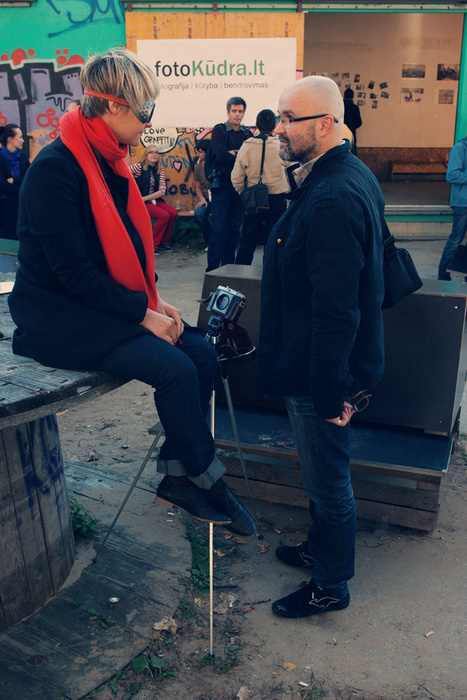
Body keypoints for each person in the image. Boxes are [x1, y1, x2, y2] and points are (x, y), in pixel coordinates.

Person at [8, 48, 255, 537]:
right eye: (145, 110)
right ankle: (209, 482)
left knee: (202, 354)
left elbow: (124, 252)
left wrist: (153, 301)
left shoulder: (111, 160)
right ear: (113, 105)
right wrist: (143, 314)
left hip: (102, 305)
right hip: (60, 317)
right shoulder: (57, 168)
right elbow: (74, 274)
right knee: (176, 369)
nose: (149, 121)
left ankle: (178, 478)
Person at [258, 76, 385, 618]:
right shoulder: (341, 173)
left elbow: (337, 308)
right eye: (280, 117)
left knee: (327, 478)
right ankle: (320, 548)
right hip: (319, 362)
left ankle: (331, 584)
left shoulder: (332, 195)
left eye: (290, 118)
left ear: (327, 123)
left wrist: (332, 391)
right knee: (319, 472)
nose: (279, 128)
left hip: (321, 370)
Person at [231, 109, 288, 265]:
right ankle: (270, 274)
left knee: (247, 239)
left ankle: (240, 274)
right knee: (273, 240)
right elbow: (291, 168)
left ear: (256, 125)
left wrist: (244, 193)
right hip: (277, 197)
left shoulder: (247, 146)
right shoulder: (280, 145)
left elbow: (236, 177)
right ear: (275, 126)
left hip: (253, 198)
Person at [206, 96, 250, 272]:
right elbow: (221, 156)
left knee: (233, 230)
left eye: (240, 111)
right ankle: (212, 269)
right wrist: (240, 156)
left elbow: (250, 158)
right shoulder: (219, 130)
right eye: (234, 111)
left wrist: (234, 153)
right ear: (228, 112)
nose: (237, 114)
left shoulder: (247, 134)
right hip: (222, 187)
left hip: (239, 188)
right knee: (218, 229)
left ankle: (228, 267)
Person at [130, 145, 177, 254]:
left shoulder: (159, 169)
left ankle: (164, 243)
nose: (154, 154)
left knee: (173, 213)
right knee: (164, 215)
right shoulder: (138, 167)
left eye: (156, 152)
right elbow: (124, 174)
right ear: (146, 155)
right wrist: (133, 194)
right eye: (151, 152)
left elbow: (162, 191)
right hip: (140, 202)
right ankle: (152, 245)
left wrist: (144, 198)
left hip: (150, 199)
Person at [438, 136, 467, 280]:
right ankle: (443, 276)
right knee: (455, 241)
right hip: (463, 204)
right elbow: (451, 175)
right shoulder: (460, 148)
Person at [0, 123, 29, 240]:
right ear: (11, 139)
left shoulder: (23, 158)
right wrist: (22, 187)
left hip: (21, 207)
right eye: (20, 137)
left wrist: (14, 180)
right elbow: (3, 186)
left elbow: (29, 180)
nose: (23, 140)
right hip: (5, 208)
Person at [192, 139, 211, 245]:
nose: (197, 155)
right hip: (207, 200)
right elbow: (197, 187)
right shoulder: (199, 167)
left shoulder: (218, 165)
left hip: (219, 199)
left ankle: (219, 242)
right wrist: (202, 199)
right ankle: (210, 241)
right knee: (199, 213)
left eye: (200, 152)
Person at [343, 88, 362, 154]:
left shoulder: (340, 107)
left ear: (344, 95)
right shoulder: (355, 108)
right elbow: (359, 122)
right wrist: (352, 126)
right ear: (353, 96)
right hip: (351, 134)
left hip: (340, 135)